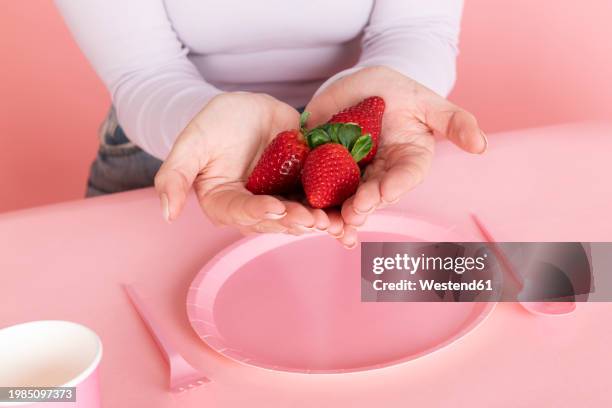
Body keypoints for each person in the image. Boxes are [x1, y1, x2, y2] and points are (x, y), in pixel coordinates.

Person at [55, 0, 486, 248]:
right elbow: (142, 74)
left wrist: (384, 96)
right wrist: (201, 129)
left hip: (373, 150)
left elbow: (418, 27)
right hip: (168, 139)